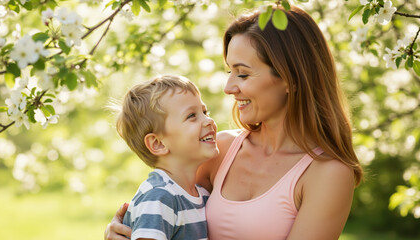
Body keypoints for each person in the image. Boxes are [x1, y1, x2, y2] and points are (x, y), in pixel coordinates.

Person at [105, 5, 363, 240]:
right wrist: (120, 230)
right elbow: (164, 204)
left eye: (242, 73)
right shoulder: (220, 150)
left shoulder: (327, 173)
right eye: (229, 71)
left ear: (290, 78)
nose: (229, 87)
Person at [114, 75, 219, 240]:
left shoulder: (202, 195)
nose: (209, 120)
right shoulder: (158, 198)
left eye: (205, 112)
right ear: (158, 143)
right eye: (192, 115)